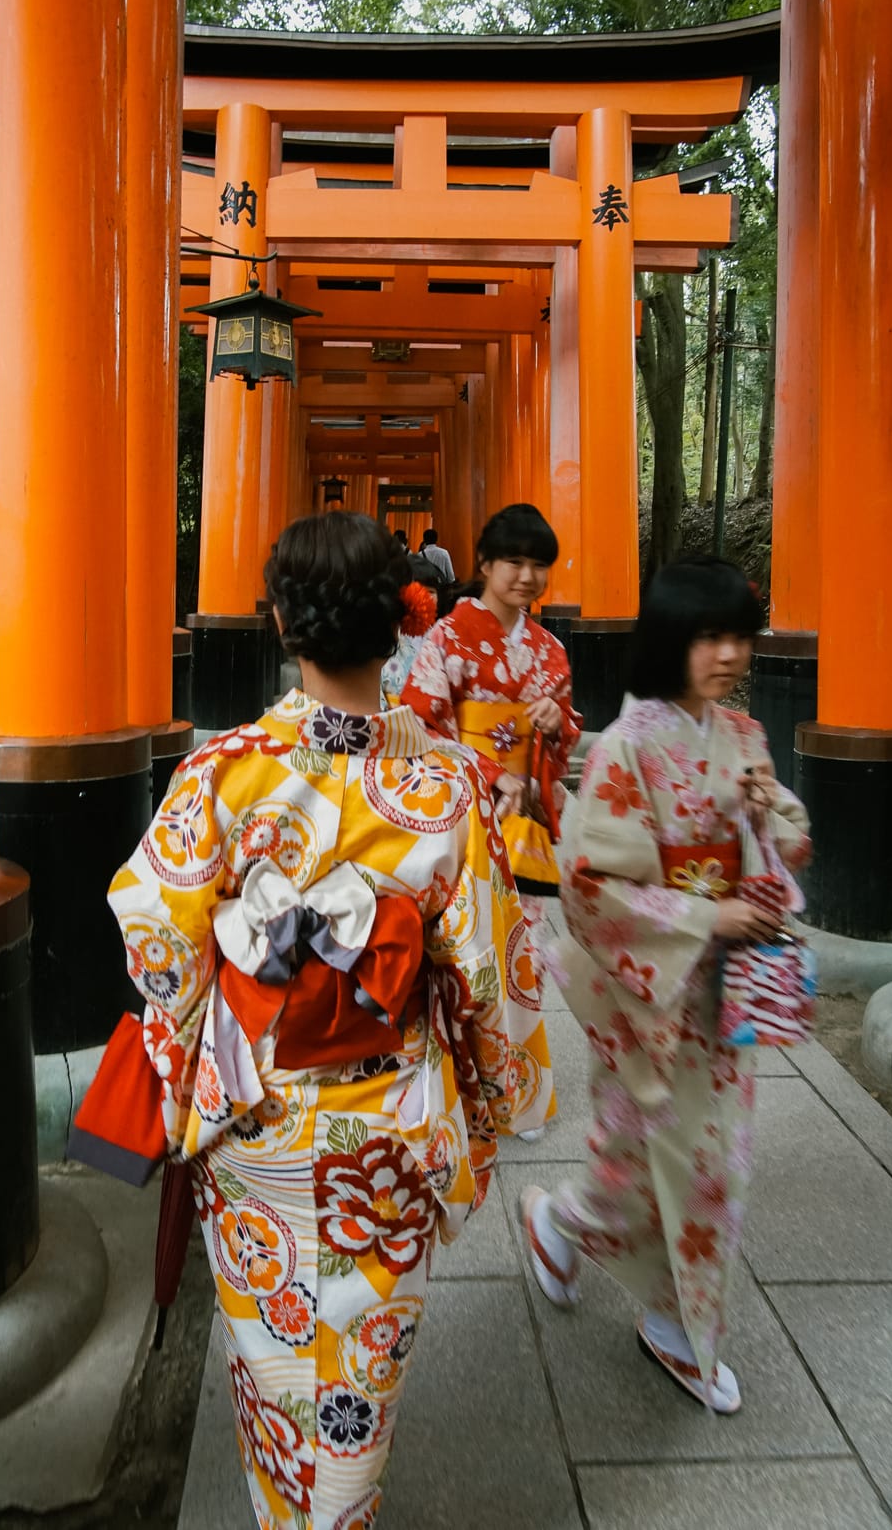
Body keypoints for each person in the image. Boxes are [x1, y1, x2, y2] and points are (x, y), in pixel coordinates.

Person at [109, 511, 547, 1530]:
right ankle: (345, 1508)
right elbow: (491, 974)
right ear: (400, 624)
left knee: (270, 1356)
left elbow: (160, 946)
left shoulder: (219, 777)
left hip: (256, 1123)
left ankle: (284, 1512)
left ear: (280, 622)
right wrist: (490, 1106)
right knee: (362, 1371)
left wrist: (183, 1049)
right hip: (385, 1132)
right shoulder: (445, 787)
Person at [519, 557, 811, 1414]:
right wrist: (704, 918)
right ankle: (563, 1221)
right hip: (649, 989)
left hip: (726, 992)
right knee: (631, 1161)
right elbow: (590, 884)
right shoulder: (625, 748)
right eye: (708, 637)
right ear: (670, 642)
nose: (728, 655)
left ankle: (675, 1324)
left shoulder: (745, 737)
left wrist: (767, 815)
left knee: (713, 1158)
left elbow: (789, 837)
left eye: (738, 638)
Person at [401, 502, 580, 1136]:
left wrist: (560, 727)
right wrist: (487, 769)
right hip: (461, 815)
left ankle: (521, 1092)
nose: (526, 576)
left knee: (519, 952)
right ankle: (453, 1082)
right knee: (456, 955)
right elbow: (419, 724)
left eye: (539, 565)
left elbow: (563, 728)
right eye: (514, 561)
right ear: (483, 564)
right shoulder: (449, 637)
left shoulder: (549, 650)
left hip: (521, 820)